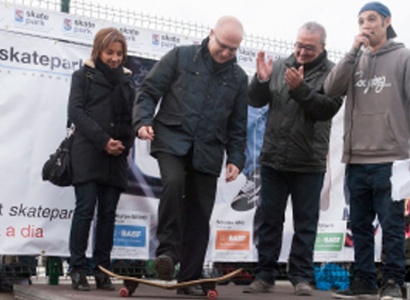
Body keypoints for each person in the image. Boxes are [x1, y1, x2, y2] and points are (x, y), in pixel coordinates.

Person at [133, 15, 248, 296]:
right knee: (173, 183)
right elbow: (148, 91)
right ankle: (168, 254)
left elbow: (237, 125)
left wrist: (235, 159)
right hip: (172, 139)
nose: (226, 53)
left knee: (200, 211)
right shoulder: (180, 56)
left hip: (208, 150)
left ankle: (190, 277)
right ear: (211, 34)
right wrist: (142, 121)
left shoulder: (238, 78)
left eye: (233, 49)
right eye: (222, 45)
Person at [242, 21, 343, 296]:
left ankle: (301, 277)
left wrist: (300, 89)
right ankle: (264, 275)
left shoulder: (333, 73)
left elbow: (326, 109)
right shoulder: (280, 66)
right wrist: (261, 80)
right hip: (273, 159)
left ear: (322, 47)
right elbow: (255, 101)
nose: (301, 51)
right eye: (299, 45)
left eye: (309, 47)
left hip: (309, 163)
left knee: (305, 223)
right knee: (269, 220)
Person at [324, 2, 410, 300]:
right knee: (359, 226)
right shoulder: (354, 60)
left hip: (391, 158)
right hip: (356, 158)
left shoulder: (404, 57)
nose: (366, 25)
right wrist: (352, 51)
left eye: (371, 19)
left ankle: (394, 282)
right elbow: (330, 88)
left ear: (387, 22)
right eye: (361, 20)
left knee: (392, 225)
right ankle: (363, 281)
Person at [67, 27, 136, 291]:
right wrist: (103, 140)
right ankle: (77, 269)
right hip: (88, 152)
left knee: (108, 214)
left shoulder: (128, 82)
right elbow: (75, 111)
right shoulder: (82, 75)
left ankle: (102, 270)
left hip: (116, 157)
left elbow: (132, 117)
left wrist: (123, 143)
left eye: (119, 53)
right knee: (85, 210)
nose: (115, 58)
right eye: (110, 52)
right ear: (99, 50)